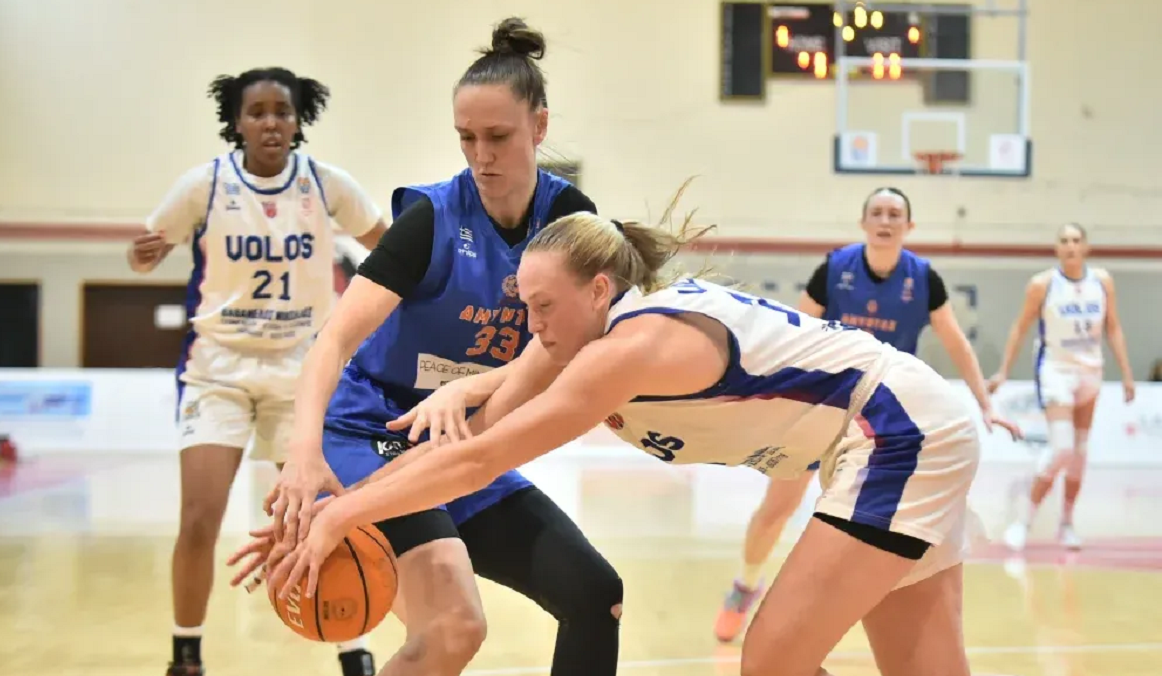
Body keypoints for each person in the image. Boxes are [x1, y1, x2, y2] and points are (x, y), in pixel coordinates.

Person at [257, 202, 1017, 676]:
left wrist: (340, 514)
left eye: (543, 306)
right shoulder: (576, 340)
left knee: (771, 662)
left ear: (598, 290)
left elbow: (484, 460)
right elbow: (469, 441)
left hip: (893, 429)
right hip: (901, 427)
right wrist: (340, 505)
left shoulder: (629, 347)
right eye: (524, 308)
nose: (530, 327)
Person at [236, 18, 622, 676]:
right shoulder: (432, 219)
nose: (481, 155)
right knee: (453, 626)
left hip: (464, 436)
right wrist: (302, 456)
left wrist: (471, 393)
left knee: (594, 595)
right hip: (372, 430)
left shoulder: (570, 222)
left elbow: (563, 356)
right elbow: (334, 340)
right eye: (466, 137)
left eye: (498, 136)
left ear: (539, 126)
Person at [127, 67, 389, 676]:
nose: (271, 122)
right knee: (200, 517)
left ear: (298, 121)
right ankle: (186, 654)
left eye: (282, 111)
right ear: (237, 122)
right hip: (217, 369)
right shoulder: (204, 186)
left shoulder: (326, 184)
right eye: (257, 112)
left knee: (321, 512)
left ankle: (353, 647)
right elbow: (144, 255)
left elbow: (391, 247)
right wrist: (141, 256)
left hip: (303, 370)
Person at [715, 186, 1020, 643]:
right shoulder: (834, 270)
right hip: (821, 404)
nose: (885, 220)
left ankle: (874, 612)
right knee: (777, 509)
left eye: (895, 214)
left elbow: (955, 341)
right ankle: (745, 584)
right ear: (863, 223)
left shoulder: (924, 279)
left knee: (872, 521)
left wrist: (987, 404)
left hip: (884, 421)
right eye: (877, 212)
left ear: (909, 226)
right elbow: (791, 334)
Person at [988, 222, 1134, 551]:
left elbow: (1113, 328)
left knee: (1079, 455)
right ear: (1056, 248)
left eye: (1076, 240)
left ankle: (1066, 523)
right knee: (1062, 449)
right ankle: (1023, 521)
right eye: (1064, 240)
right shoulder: (1042, 284)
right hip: (1056, 370)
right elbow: (1020, 327)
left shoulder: (1102, 281)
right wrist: (1003, 371)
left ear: (1086, 247)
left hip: (1091, 371)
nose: (1070, 245)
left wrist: (1127, 374)